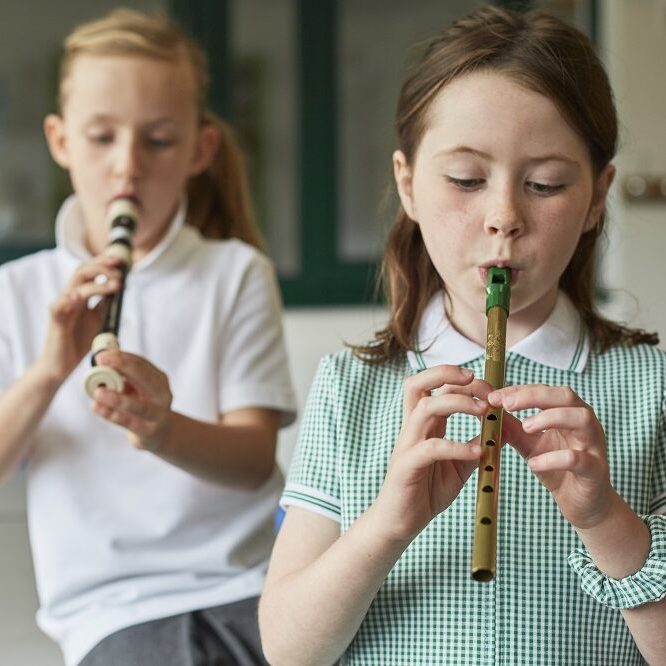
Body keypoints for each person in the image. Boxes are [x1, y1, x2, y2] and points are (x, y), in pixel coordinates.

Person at [258, 6, 666, 665]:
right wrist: (387, 525)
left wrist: (604, 520)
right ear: (408, 185)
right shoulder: (353, 387)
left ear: (596, 198)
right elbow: (287, 650)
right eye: (466, 180)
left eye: (545, 184)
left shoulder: (653, 388)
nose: (504, 216)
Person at [0, 8, 296, 666]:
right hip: (114, 607)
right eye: (101, 136)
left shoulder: (235, 272)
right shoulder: (17, 292)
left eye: (159, 140)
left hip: (254, 583)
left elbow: (253, 463)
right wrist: (50, 370)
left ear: (200, 149)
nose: (126, 167)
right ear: (60, 140)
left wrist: (163, 428)